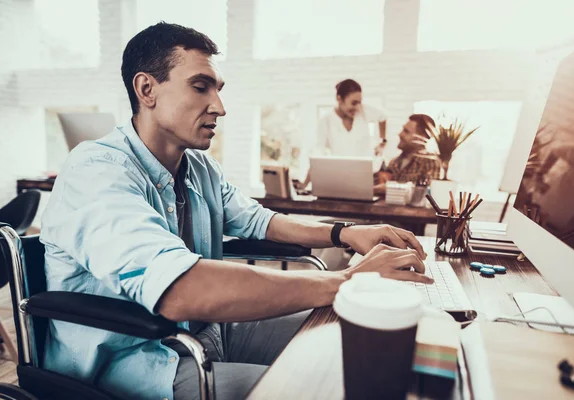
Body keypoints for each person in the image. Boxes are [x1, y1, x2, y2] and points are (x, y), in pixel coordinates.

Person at [40, 23, 433, 400]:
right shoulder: (96, 170)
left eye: (218, 89)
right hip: (135, 361)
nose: (220, 107)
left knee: (342, 333)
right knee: (310, 387)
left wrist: (343, 233)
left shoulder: (198, 167)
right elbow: (178, 289)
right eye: (200, 87)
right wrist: (345, 280)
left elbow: (259, 220)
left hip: (205, 333)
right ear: (146, 89)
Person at [297, 79, 387, 190]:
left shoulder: (363, 112)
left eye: (360, 102)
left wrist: (382, 142)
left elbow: (382, 117)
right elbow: (318, 155)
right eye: (354, 103)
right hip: (340, 181)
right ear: (339, 99)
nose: (358, 107)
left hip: (365, 179)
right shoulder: (326, 120)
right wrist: (304, 184)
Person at [374, 114, 441, 196]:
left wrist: (390, 188)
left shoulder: (431, 162)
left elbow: (428, 194)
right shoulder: (394, 163)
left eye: (406, 131)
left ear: (421, 137)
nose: (400, 134)